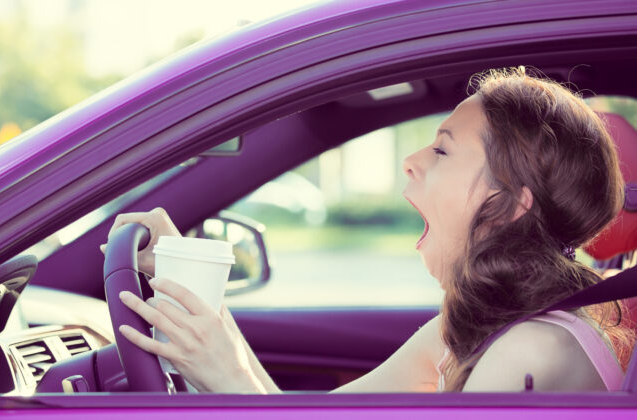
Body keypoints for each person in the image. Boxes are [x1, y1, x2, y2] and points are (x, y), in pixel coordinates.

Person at [104, 68, 635, 393]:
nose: (411, 160)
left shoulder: (531, 352)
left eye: (443, 148)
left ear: (508, 202)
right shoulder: (470, 331)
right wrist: (202, 296)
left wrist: (222, 372)